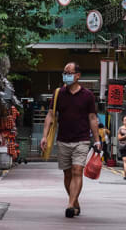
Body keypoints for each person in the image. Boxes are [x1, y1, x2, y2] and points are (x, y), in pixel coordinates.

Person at [41, 62, 101, 218]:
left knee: (77, 171)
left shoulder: (87, 95)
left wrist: (97, 140)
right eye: (64, 72)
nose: (66, 75)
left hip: (82, 139)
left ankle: (69, 205)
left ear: (78, 75)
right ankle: (75, 202)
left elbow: (92, 118)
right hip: (63, 140)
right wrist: (44, 136)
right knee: (67, 174)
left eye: (69, 72)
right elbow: (51, 115)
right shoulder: (58, 94)